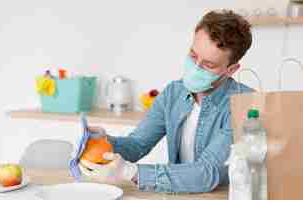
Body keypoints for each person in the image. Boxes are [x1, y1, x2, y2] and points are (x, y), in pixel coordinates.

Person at [78, 9, 253, 193]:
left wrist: (132, 172)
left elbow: (206, 173)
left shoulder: (244, 105)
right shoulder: (173, 93)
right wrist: (102, 143)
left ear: (231, 69)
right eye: (193, 55)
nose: (196, 67)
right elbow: (138, 144)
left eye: (208, 65)